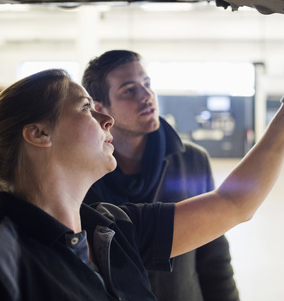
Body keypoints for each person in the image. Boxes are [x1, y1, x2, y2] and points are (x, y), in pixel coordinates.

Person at [0, 23, 284, 301]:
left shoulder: (112, 229)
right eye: (84, 108)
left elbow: (234, 203)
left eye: (147, 84)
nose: (104, 121)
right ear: (39, 134)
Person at [81, 51, 238, 300]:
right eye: (129, 90)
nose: (147, 96)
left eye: (147, 84)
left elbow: (214, 252)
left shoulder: (192, 160)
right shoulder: (84, 174)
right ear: (100, 108)